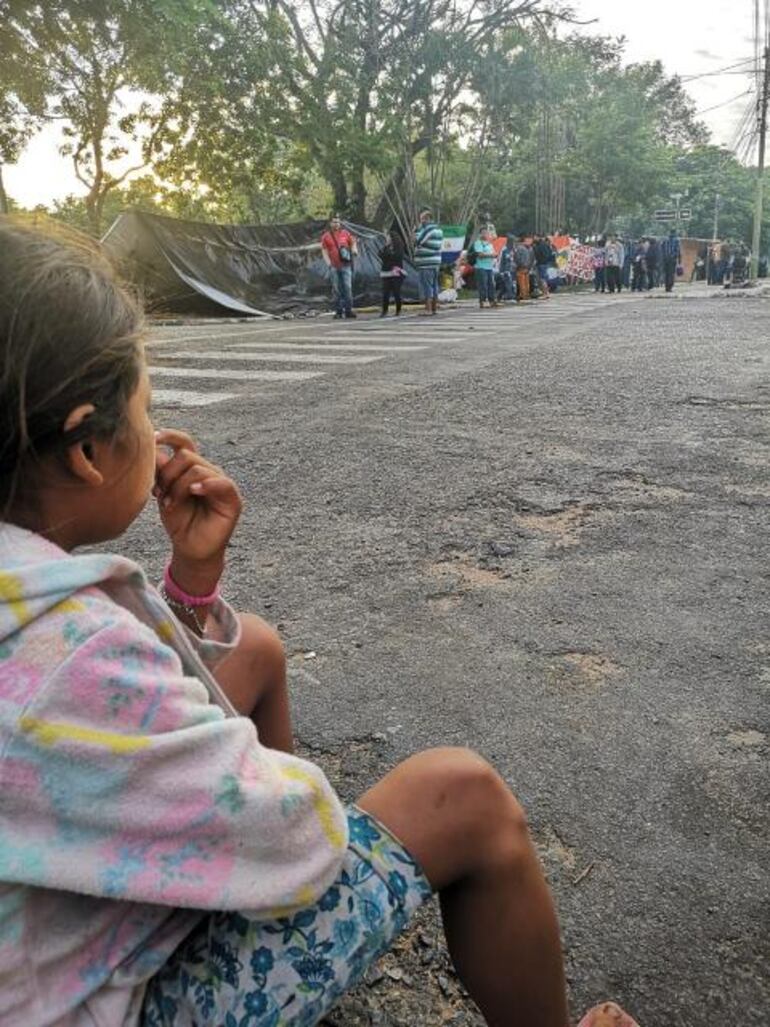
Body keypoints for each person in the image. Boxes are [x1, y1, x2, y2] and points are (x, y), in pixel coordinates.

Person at [0, 221, 646, 1027]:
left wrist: (192, 583)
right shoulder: (75, 651)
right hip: (88, 1001)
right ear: (89, 450)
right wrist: (304, 820)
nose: (158, 428)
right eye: (146, 404)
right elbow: (298, 834)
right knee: (459, 793)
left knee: (258, 645)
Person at [320, 214, 358, 319]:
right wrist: (328, 263)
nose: (336, 224)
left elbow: (353, 242)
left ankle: (349, 310)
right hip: (334, 266)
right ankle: (338, 311)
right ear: (330, 223)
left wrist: (354, 250)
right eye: (334, 222)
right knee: (336, 289)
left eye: (338, 222)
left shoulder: (345, 233)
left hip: (346, 265)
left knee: (347, 287)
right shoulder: (326, 236)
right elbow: (324, 250)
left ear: (340, 223)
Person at [414, 208, 443, 315]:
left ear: (427, 219)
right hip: (435, 262)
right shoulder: (439, 230)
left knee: (426, 286)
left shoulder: (428, 230)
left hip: (426, 263)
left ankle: (428, 309)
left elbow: (418, 241)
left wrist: (416, 232)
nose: (421, 221)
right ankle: (434, 309)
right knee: (434, 285)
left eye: (422, 219)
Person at [379, 230, 405, 317]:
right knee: (385, 293)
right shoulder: (386, 247)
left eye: (388, 237)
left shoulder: (399, 246)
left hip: (396, 272)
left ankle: (398, 310)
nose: (387, 238)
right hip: (386, 272)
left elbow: (397, 257)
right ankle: (384, 310)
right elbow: (380, 254)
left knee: (396, 292)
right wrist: (387, 252)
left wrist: (388, 256)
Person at [473, 227, 498, 308]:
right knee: (483, 285)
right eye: (483, 233)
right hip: (481, 267)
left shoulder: (490, 244)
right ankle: (482, 301)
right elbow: (480, 255)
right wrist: (491, 255)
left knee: (491, 284)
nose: (485, 234)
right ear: (480, 234)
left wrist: (495, 255)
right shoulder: (478, 243)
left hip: (489, 267)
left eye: (486, 233)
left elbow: (494, 253)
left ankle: (492, 300)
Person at [533, 234, 555, 299]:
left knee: (542, 279)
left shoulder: (541, 245)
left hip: (541, 264)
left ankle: (546, 293)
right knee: (543, 279)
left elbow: (539, 254)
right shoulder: (547, 246)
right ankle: (546, 293)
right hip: (545, 264)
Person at [514, 234, 533, 302]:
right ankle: (525, 294)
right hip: (524, 267)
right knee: (524, 282)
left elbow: (518, 258)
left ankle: (524, 294)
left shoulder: (524, 248)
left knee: (523, 282)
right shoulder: (525, 248)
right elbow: (517, 258)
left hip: (524, 267)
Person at [497, 234, 516, 302]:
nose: (514, 243)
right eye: (513, 241)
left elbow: (514, 260)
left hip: (512, 270)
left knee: (505, 285)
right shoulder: (504, 250)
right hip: (505, 270)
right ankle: (510, 297)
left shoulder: (513, 250)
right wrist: (501, 271)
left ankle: (499, 297)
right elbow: (500, 260)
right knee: (508, 283)